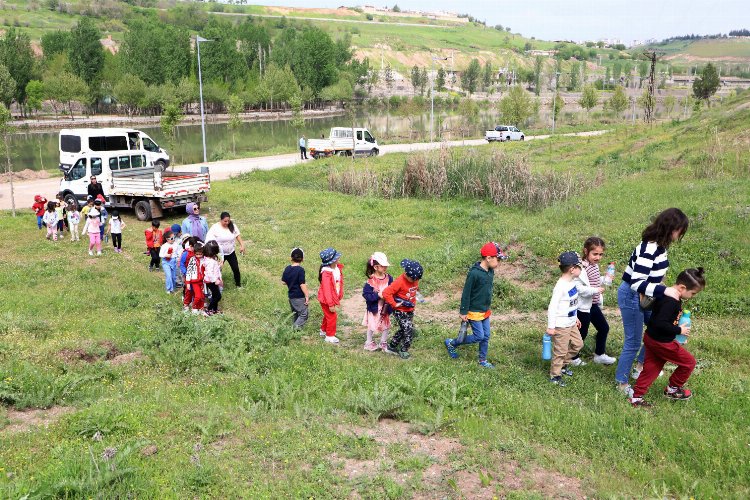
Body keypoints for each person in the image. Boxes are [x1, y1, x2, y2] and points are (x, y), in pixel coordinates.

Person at [616, 208, 689, 397]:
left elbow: (655, 276)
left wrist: (662, 290)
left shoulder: (661, 247)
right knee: (633, 341)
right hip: (633, 295)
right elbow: (637, 282)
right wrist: (666, 291)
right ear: (670, 227)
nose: (680, 234)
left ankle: (641, 367)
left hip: (649, 296)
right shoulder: (649, 249)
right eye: (680, 230)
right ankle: (622, 383)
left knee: (656, 331)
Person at [631, 268, 705, 407]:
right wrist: (679, 330)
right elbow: (660, 323)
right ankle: (672, 389)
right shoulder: (670, 302)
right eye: (693, 293)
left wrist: (676, 332)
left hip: (652, 338)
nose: (692, 296)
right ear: (682, 287)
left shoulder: (666, 294)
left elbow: (661, 320)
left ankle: (636, 397)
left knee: (652, 368)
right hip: (662, 343)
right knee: (689, 362)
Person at [444, 242, 502, 369]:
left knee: (486, 336)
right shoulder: (474, 273)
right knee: (479, 336)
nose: (499, 262)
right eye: (497, 259)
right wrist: (463, 311)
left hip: (485, 310)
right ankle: (452, 343)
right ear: (488, 258)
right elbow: (466, 293)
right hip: (473, 311)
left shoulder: (490, 271)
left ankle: (482, 360)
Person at [572, 237, 616, 366]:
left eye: (600, 254)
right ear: (586, 251)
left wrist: (604, 278)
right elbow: (578, 288)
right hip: (583, 307)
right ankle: (573, 358)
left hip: (593, 304)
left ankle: (599, 355)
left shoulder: (594, 266)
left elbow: (594, 280)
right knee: (581, 332)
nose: (598, 257)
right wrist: (595, 290)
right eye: (595, 254)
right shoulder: (581, 268)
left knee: (604, 328)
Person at [547, 252, 585, 386]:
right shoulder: (560, 287)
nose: (582, 268)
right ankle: (555, 375)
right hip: (561, 325)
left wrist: (575, 318)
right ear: (572, 269)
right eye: (580, 266)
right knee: (560, 351)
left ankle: (563, 365)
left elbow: (572, 304)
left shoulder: (572, 282)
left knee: (578, 344)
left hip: (571, 322)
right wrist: (551, 326)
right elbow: (552, 307)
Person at [382, 259, 423, 359]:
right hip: (400, 310)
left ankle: (392, 346)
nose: (415, 281)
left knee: (404, 329)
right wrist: (394, 304)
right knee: (409, 330)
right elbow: (386, 293)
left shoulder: (414, 279)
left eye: (416, 279)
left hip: (409, 309)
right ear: (406, 274)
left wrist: (417, 290)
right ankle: (404, 350)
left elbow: (413, 285)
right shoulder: (399, 282)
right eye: (413, 279)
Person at [361, 252, 393, 352]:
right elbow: (366, 295)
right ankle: (368, 342)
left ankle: (383, 342)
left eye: (385, 266)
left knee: (386, 325)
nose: (385, 268)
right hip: (374, 308)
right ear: (375, 267)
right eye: (383, 266)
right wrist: (378, 295)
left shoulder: (389, 278)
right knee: (372, 325)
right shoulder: (371, 281)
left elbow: (393, 290)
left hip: (385, 307)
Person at [206, 212, 245, 288]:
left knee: (236, 268)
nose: (227, 223)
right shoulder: (215, 227)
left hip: (231, 252)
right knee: (217, 269)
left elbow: (237, 235)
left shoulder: (232, 226)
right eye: (225, 221)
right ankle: (216, 286)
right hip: (219, 254)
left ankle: (238, 285)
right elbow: (208, 239)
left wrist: (242, 245)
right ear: (221, 220)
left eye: (228, 221)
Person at [318, 247, 344, 344]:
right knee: (332, 316)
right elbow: (327, 290)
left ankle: (323, 330)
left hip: (332, 297)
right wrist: (330, 304)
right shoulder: (326, 273)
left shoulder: (336, 268)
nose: (339, 258)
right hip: (327, 300)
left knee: (328, 315)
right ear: (332, 260)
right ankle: (329, 336)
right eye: (337, 257)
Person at [282, 247, 309, 329]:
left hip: (291, 296)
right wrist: (307, 296)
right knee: (304, 314)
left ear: (291, 258)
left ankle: (296, 332)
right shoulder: (300, 270)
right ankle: (293, 329)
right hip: (299, 297)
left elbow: (283, 282)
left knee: (296, 313)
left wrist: (291, 282)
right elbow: (302, 284)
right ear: (302, 259)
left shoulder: (287, 268)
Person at [183, 241, 206, 315]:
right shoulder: (192, 260)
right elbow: (189, 271)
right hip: (194, 281)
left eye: (200, 254)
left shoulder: (204, 259)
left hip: (202, 281)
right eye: (197, 254)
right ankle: (194, 307)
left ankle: (201, 308)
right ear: (194, 253)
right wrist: (188, 282)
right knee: (198, 296)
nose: (199, 256)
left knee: (202, 296)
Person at [203, 240, 224, 315]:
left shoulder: (209, 259)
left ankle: (214, 310)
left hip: (212, 280)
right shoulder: (211, 261)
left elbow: (214, 269)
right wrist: (215, 280)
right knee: (218, 296)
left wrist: (218, 265)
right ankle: (208, 310)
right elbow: (210, 273)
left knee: (215, 295)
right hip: (211, 281)